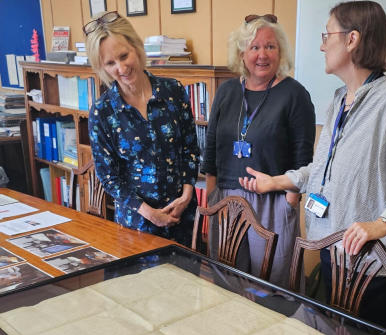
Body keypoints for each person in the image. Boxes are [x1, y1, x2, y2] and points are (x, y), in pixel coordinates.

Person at [239, 1, 386, 330]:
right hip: (332, 250)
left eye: (327, 35)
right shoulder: (337, 100)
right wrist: (275, 182)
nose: (321, 45)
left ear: (352, 40)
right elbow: (320, 171)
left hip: (374, 263)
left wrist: (381, 223)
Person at [202, 14, 316, 287]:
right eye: (254, 47)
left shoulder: (295, 94)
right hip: (227, 199)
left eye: (270, 47)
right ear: (241, 53)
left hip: (272, 203)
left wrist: (289, 204)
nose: (262, 55)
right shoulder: (227, 91)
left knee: (271, 285)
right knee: (227, 281)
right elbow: (212, 145)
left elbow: (303, 158)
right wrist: (212, 195)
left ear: (281, 52)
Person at [84, 11, 199, 246]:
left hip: (182, 216)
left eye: (124, 55)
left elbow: (190, 149)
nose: (121, 67)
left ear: (136, 47)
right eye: (110, 63)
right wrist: (150, 213)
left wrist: (187, 195)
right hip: (137, 224)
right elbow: (109, 177)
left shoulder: (173, 91)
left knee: (187, 280)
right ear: (102, 68)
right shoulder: (102, 112)